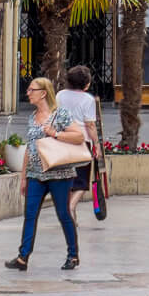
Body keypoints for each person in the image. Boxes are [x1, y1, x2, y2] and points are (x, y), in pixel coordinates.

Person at [5, 77, 85, 272]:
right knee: (30, 214)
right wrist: (23, 177)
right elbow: (29, 148)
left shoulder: (61, 114)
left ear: (43, 93)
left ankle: (73, 255)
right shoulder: (32, 117)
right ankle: (23, 257)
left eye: (31, 90)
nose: (28, 93)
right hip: (35, 174)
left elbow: (79, 136)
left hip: (59, 174)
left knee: (63, 213)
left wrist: (55, 133)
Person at [56, 66, 101, 211]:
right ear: (86, 84)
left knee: (68, 179)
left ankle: (69, 212)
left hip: (63, 140)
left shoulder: (60, 95)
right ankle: (71, 207)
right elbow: (90, 125)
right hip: (82, 142)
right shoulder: (88, 100)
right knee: (81, 181)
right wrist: (97, 144)